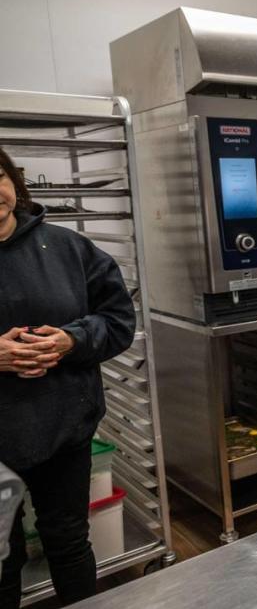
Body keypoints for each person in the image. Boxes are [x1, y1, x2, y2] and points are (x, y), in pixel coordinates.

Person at [0, 147, 135, 607]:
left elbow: (118, 321)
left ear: (13, 183)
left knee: (70, 545)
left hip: (63, 432)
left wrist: (71, 341)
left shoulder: (66, 248)